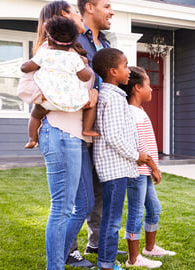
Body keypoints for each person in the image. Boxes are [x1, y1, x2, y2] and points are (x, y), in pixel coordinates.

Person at [21, 1, 98, 269]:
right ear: (64, 16)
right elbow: (27, 89)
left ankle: (62, 255)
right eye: (76, 12)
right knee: (62, 208)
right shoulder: (47, 51)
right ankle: (55, 265)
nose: (80, 16)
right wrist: (62, 100)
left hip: (78, 135)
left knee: (84, 203)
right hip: (60, 131)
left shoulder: (73, 50)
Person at [92, 48, 153, 270]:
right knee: (113, 220)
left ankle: (105, 260)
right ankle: (106, 263)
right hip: (114, 168)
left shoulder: (112, 95)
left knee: (111, 218)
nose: (128, 71)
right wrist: (137, 155)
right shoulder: (114, 99)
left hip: (115, 167)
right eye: (125, 66)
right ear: (112, 71)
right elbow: (114, 136)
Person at [72, 0, 116, 257]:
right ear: (90, 6)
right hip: (77, 126)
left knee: (100, 189)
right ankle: (69, 249)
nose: (111, 11)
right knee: (79, 193)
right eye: (107, 5)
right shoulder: (73, 37)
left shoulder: (107, 44)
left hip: (103, 127)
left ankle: (96, 243)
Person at [119, 66, 175, 267]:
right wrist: (155, 167)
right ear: (136, 88)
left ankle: (149, 248)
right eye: (148, 85)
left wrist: (152, 168)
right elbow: (140, 145)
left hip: (144, 171)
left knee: (154, 208)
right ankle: (133, 259)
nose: (151, 90)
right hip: (137, 171)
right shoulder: (132, 113)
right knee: (136, 212)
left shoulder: (138, 110)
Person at [20, 15, 97, 149]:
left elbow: (25, 68)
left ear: (49, 41)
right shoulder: (75, 58)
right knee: (91, 102)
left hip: (48, 100)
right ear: (73, 43)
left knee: (35, 114)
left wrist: (33, 63)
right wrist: (85, 65)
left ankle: (32, 139)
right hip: (72, 101)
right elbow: (85, 77)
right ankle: (87, 128)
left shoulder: (44, 54)